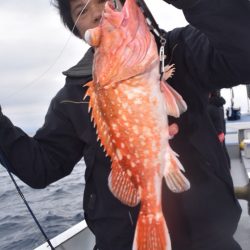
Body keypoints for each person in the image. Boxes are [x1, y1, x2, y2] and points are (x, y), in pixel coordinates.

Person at [0, 0, 250, 249]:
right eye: (82, 10)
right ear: (79, 31)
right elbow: (40, 167)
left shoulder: (181, 50)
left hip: (209, 240)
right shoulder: (72, 97)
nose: (98, 13)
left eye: (105, 1)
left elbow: (243, 53)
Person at [207, 90, 231, 168]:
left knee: (219, 153)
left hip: (216, 133)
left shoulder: (210, 107)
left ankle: (224, 168)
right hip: (221, 130)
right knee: (223, 150)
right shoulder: (219, 104)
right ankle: (227, 167)